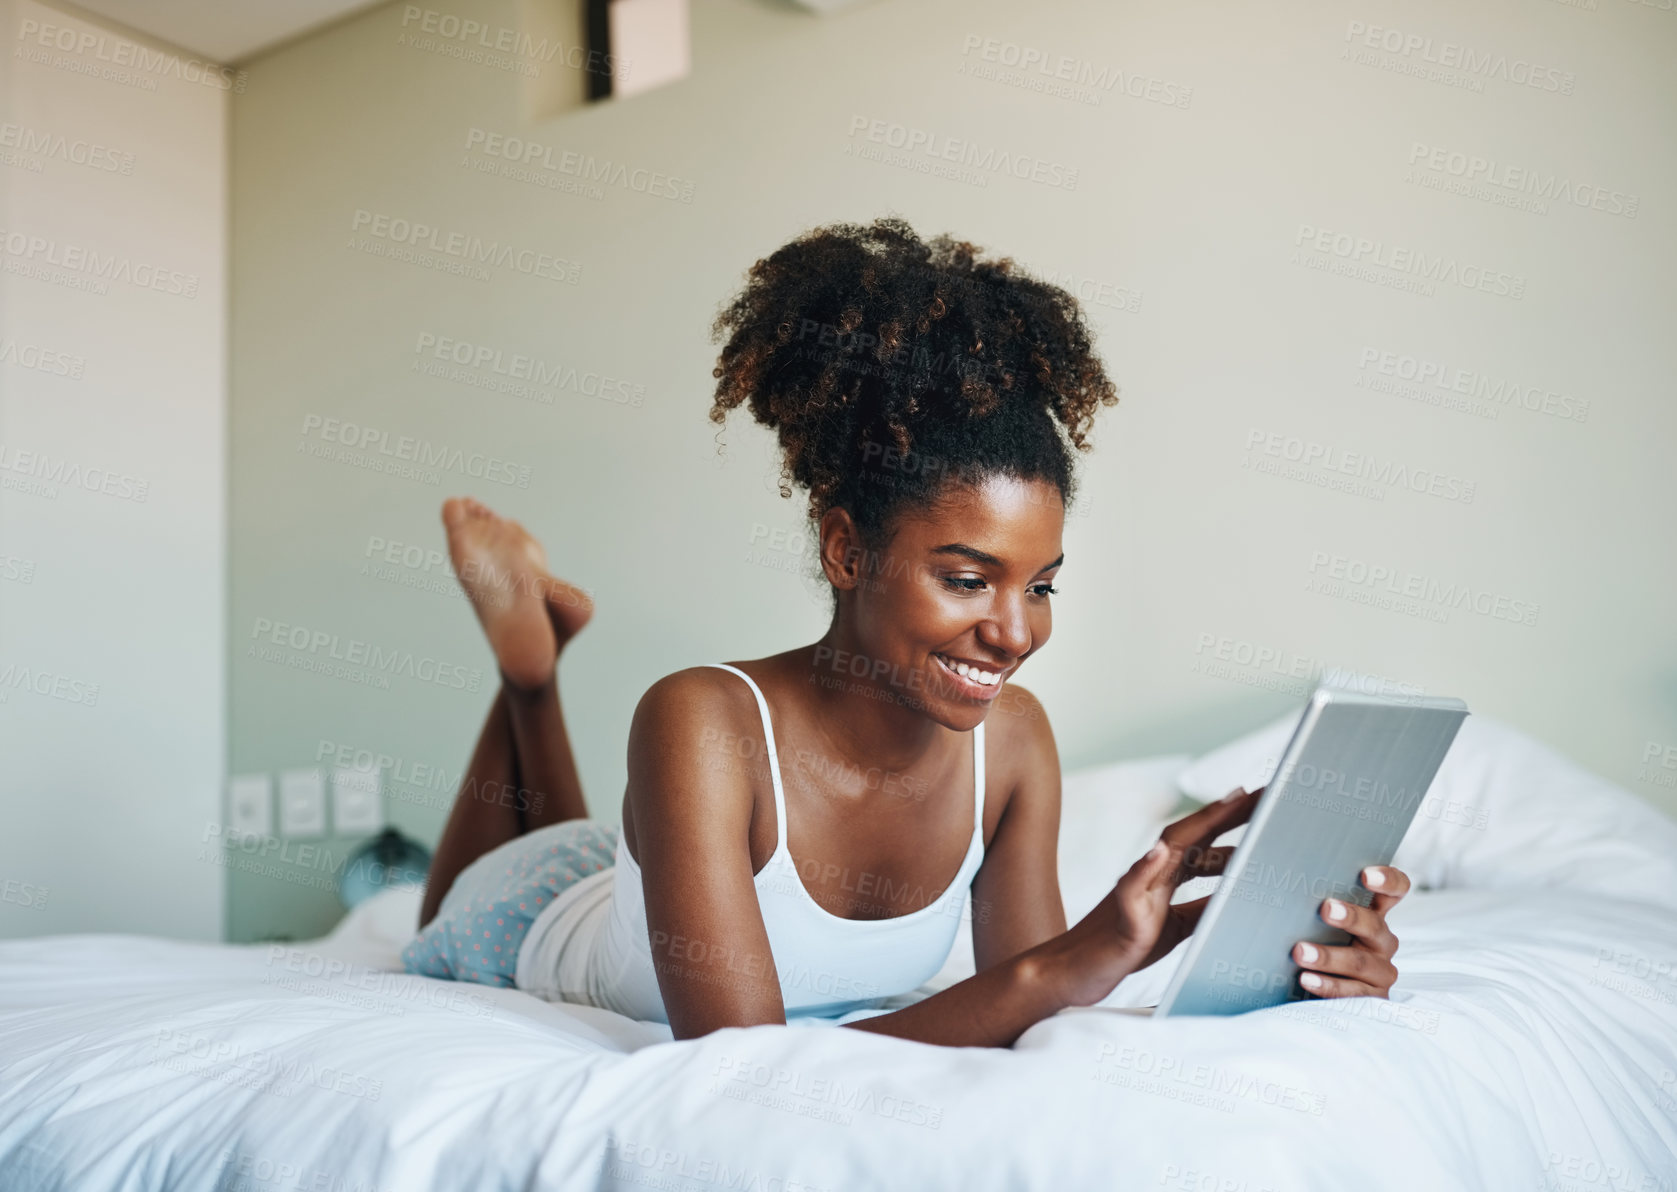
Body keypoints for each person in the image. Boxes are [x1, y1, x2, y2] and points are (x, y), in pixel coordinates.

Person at [400, 217, 1408, 1045]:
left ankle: (537, 659)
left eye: (1042, 585)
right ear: (848, 551)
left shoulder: (1013, 743)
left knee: (601, 842)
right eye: (968, 578)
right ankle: (529, 675)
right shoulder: (699, 719)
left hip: (649, 868)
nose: (1014, 633)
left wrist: (1219, 935)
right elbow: (738, 1066)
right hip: (542, 908)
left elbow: (1026, 999)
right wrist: (1065, 963)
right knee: (431, 924)